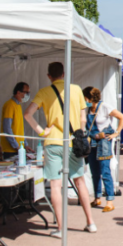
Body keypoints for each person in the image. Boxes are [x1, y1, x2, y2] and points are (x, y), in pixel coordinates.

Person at [23, 62, 96, 235]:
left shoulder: (44, 92)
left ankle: (61, 228)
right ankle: (90, 222)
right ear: (64, 74)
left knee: (55, 185)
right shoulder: (77, 89)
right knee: (80, 181)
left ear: (49, 76)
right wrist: (81, 134)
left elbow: (27, 114)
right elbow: (83, 118)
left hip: (53, 142)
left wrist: (42, 131)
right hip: (73, 141)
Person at [84, 86, 123, 212]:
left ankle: (109, 200)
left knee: (105, 171)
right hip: (92, 142)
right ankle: (97, 198)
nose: (84, 100)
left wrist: (116, 133)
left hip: (103, 142)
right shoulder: (87, 109)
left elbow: (122, 117)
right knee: (94, 172)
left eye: (85, 97)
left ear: (90, 97)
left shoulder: (105, 107)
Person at [0, 81, 29, 157]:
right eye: (26, 92)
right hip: (10, 150)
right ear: (18, 92)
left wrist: (25, 144)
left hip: (19, 149)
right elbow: (7, 128)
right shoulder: (10, 105)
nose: (27, 95)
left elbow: (20, 129)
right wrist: (16, 146)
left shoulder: (18, 105)